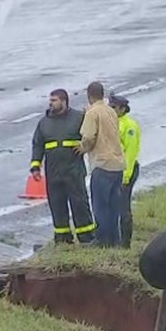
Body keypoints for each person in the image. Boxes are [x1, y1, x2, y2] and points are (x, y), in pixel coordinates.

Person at [29, 89, 97, 244]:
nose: (50, 103)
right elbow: (37, 145)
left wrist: (84, 146)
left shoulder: (79, 118)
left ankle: (86, 237)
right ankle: (62, 238)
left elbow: (91, 135)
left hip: (73, 170)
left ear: (64, 101)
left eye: (54, 100)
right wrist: (35, 166)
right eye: (50, 100)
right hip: (53, 171)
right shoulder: (44, 122)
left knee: (79, 203)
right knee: (57, 204)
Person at [75, 81, 126, 247]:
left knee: (100, 205)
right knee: (113, 206)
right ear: (102, 95)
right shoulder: (111, 111)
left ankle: (102, 240)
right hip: (117, 164)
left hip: (102, 164)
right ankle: (115, 241)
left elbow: (89, 136)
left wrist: (82, 148)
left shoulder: (92, 113)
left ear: (89, 95)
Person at [109, 94, 141, 249]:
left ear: (122, 108)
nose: (111, 110)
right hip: (112, 170)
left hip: (126, 171)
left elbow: (130, 153)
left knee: (123, 208)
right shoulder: (112, 123)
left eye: (114, 107)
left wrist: (126, 176)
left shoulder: (129, 126)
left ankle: (125, 243)